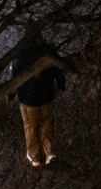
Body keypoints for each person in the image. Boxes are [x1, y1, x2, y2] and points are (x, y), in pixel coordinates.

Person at [8, 37, 68, 168]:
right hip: (47, 96)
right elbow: (58, 69)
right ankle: (49, 152)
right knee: (46, 122)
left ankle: (35, 156)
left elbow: (13, 75)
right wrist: (61, 84)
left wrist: (11, 94)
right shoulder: (48, 50)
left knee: (31, 126)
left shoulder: (19, 54)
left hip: (28, 99)